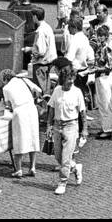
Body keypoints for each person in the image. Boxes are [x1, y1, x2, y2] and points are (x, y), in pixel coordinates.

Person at [49, 66, 87, 194]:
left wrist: (84, 130)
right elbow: (51, 107)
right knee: (58, 156)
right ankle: (76, 168)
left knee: (65, 158)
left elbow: (82, 112)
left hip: (71, 126)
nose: (71, 81)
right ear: (63, 79)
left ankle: (62, 183)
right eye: (68, 79)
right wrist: (49, 125)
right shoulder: (57, 90)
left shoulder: (77, 92)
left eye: (72, 78)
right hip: (57, 126)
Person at [0, 68, 43, 178]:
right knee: (33, 137)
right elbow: (39, 90)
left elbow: (8, 105)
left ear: (5, 79)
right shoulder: (23, 80)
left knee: (20, 139)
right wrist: (34, 98)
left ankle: (18, 169)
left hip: (20, 112)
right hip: (32, 109)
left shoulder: (6, 88)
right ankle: (32, 167)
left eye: (2, 80)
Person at [25, 6, 59, 93]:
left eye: (33, 16)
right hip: (49, 63)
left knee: (39, 90)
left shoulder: (40, 31)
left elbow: (41, 51)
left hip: (41, 65)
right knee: (46, 89)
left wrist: (30, 49)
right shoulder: (48, 27)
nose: (32, 18)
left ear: (35, 17)